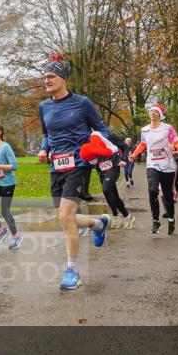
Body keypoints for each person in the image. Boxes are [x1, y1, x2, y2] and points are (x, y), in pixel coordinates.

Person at [37, 54, 112, 291]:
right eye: (45, 77)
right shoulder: (44, 106)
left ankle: (72, 271)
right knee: (64, 217)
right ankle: (99, 224)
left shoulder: (82, 103)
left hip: (79, 164)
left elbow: (102, 130)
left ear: (64, 79)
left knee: (64, 216)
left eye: (51, 76)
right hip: (56, 166)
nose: (46, 81)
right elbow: (46, 134)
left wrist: (94, 146)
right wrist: (43, 149)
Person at [130, 103, 178, 235]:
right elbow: (143, 144)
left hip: (167, 164)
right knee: (152, 189)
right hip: (152, 163)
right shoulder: (145, 130)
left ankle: (171, 218)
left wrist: (175, 148)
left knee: (167, 195)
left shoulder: (168, 128)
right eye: (151, 111)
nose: (152, 113)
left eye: (155, 112)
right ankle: (155, 221)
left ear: (160, 115)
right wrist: (134, 155)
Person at [91, 132, 135, 229]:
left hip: (113, 167)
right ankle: (127, 217)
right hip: (102, 171)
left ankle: (117, 216)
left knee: (106, 189)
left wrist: (123, 159)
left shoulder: (108, 135)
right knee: (113, 195)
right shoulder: (88, 138)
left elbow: (125, 147)